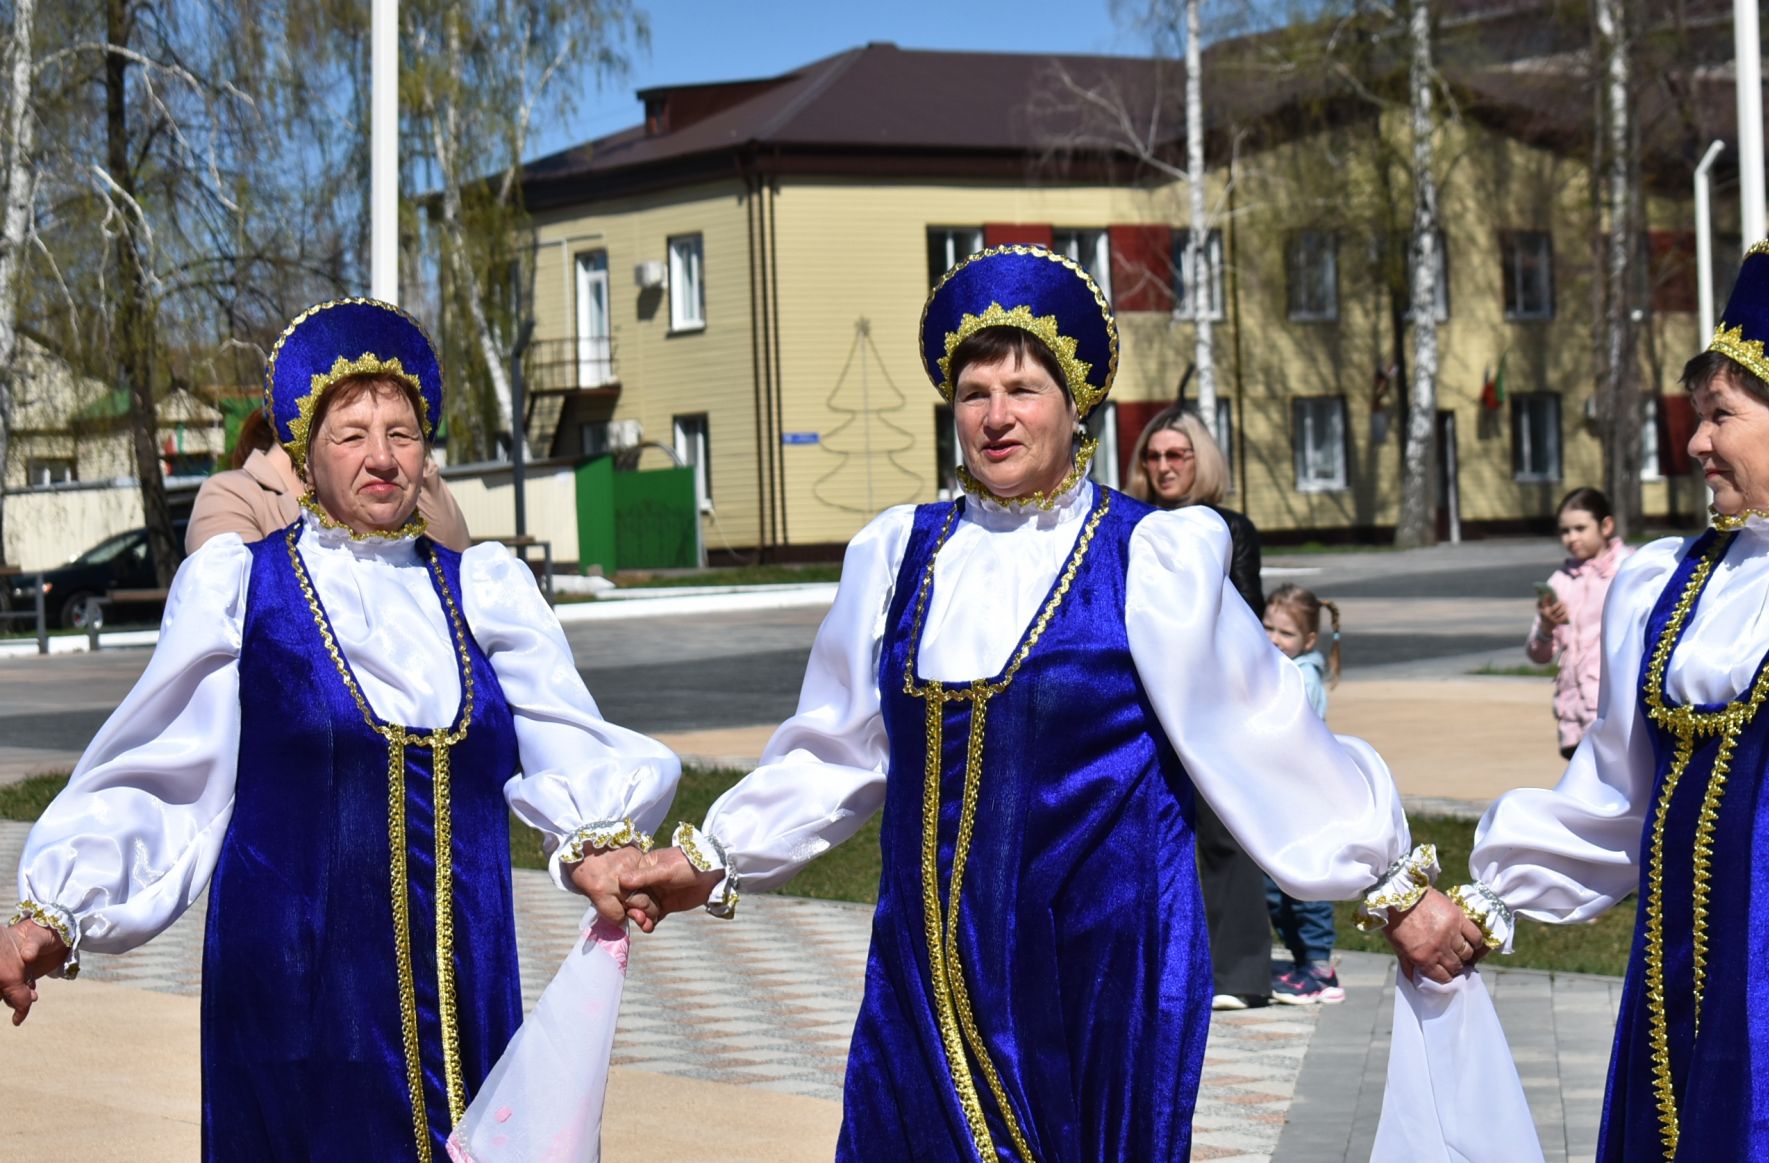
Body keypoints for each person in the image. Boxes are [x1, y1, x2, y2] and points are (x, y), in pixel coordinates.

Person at [614, 245, 1446, 1161]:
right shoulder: (899, 555)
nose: (997, 416)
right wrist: (715, 854)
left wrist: (1390, 882)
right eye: (976, 391)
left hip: (1098, 970)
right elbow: (839, 753)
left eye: (1023, 388)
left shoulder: (1151, 559)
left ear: (1076, 399)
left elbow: (1258, 729)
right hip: (926, 971)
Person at [0, 297, 694, 1162]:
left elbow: (562, 736)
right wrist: (58, 911)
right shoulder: (243, 589)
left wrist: (598, 846)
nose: (380, 456)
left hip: (461, 985)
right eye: (351, 432)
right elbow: (163, 771)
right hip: (297, 986)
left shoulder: (482, 590)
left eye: (401, 433)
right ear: (304, 453)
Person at [1389, 239, 1769, 1160]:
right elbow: (1614, 796)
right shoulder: (1668, 583)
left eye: (1721, 414)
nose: (1697, 440)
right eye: (1695, 415)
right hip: (1678, 1009)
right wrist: (1490, 898)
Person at [1125, 405, 1274, 1010]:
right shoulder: (1131, 525)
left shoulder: (1228, 527)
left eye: (1175, 456)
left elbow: (1246, 614)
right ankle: (1155, 967)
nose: (1163, 467)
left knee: (1223, 836)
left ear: (1199, 461)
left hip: (1213, 700)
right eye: (1153, 456)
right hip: (1142, 700)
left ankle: (1238, 973)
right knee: (1144, 834)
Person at [187, 401, 470, 553]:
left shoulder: (374, 485)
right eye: (353, 435)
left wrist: (410, 447)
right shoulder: (231, 495)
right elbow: (251, 613)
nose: (381, 457)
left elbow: (454, 552)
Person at [1260, 583, 1346, 1005]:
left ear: (1309, 640)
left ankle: (1320, 969)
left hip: (1303, 799)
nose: (1275, 639)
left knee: (1304, 891)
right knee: (1277, 889)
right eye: (1268, 628)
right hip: (1280, 797)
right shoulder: (1280, 670)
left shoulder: (1301, 678)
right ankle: (1302, 963)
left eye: (1286, 633)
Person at [1526, 487, 1632, 758]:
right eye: (1565, 531)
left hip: (1620, 711)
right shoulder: (1559, 581)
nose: (1571, 538)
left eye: (1580, 528)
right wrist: (1547, 629)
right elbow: (1539, 656)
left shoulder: (1631, 569)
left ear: (1606, 525)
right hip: (1572, 714)